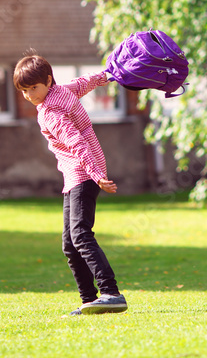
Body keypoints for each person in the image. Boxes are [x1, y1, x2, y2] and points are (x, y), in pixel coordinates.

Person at [13, 52, 127, 316]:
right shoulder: (62, 91)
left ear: (48, 80)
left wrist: (96, 174)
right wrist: (107, 75)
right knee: (69, 243)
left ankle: (110, 292)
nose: (30, 95)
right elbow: (86, 82)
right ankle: (89, 300)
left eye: (33, 88)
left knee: (81, 235)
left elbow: (77, 142)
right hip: (78, 175)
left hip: (83, 173)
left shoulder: (51, 111)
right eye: (24, 90)